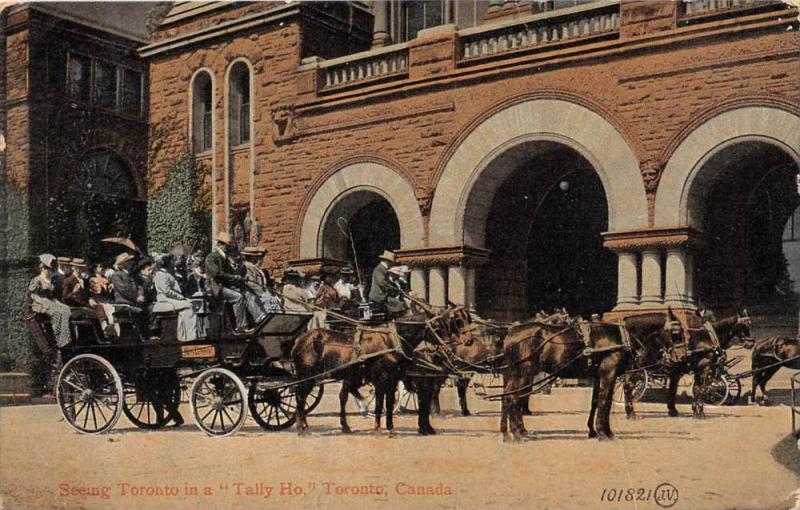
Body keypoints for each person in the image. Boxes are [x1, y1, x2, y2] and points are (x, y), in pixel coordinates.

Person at [205, 232, 266, 333]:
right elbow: (216, 274)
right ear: (219, 244)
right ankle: (241, 327)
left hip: (226, 286)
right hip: (216, 288)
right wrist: (234, 277)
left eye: (228, 246)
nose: (228, 248)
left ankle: (260, 318)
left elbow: (231, 273)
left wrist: (240, 278)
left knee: (246, 292)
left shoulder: (224, 258)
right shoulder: (212, 257)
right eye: (226, 245)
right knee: (238, 297)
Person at [153, 254, 200, 341]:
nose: (174, 263)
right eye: (172, 261)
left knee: (193, 303)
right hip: (165, 299)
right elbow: (166, 291)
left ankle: (187, 333)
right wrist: (181, 297)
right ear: (168, 263)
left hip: (171, 298)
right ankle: (188, 336)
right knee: (189, 305)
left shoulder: (167, 273)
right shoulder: (160, 274)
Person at [29, 254, 72, 348]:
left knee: (66, 310)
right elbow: (34, 295)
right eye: (47, 268)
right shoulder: (37, 279)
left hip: (50, 301)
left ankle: (65, 338)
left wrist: (59, 303)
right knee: (57, 312)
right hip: (39, 303)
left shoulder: (50, 280)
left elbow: (52, 297)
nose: (49, 271)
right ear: (42, 268)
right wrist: (44, 304)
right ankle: (58, 339)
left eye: (50, 269)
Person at [111, 252, 149, 337]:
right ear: (123, 264)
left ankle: (145, 335)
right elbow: (124, 290)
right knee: (141, 312)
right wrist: (136, 298)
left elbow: (139, 286)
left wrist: (141, 295)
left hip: (133, 302)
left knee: (148, 309)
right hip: (123, 304)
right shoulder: (117, 275)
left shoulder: (131, 274)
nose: (131, 262)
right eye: (128, 261)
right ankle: (142, 336)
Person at [240, 246, 282, 312]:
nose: (260, 259)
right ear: (252, 257)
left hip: (261, 292)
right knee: (269, 301)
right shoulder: (247, 266)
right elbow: (251, 283)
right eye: (258, 257)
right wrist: (262, 293)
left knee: (276, 300)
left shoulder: (255, 267)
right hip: (253, 293)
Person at [368, 250, 406, 316]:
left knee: (400, 303)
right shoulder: (379, 269)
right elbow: (382, 283)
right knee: (399, 304)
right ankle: (396, 321)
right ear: (387, 261)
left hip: (383, 296)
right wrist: (394, 289)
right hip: (378, 296)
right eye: (391, 262)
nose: (392, 264)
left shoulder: (383, 269)